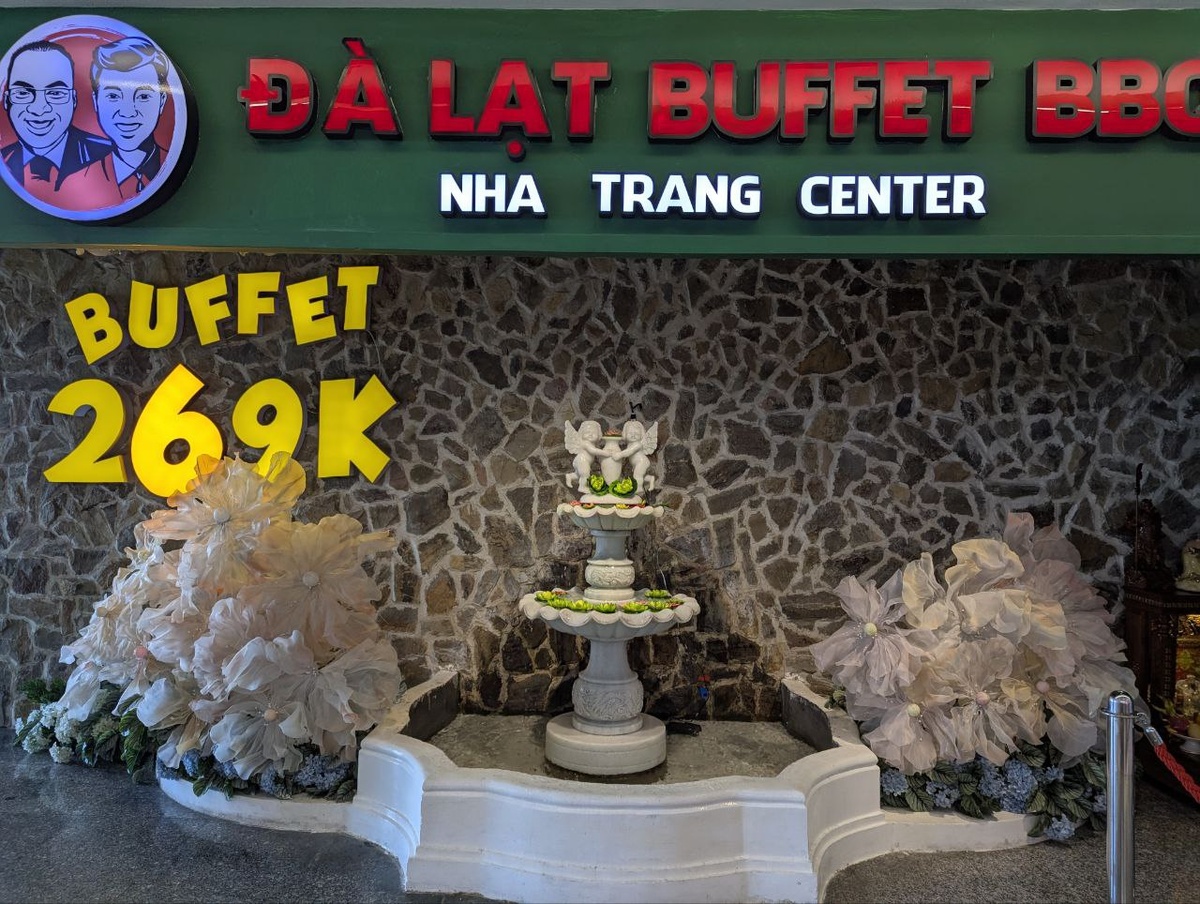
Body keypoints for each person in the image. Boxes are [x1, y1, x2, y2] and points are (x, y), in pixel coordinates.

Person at [1, 40, 110, 202]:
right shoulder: (4, 159)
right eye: (23, 93)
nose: (39, 109)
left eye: (55, 93)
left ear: (73, 100)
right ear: (6, 101)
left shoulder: (108, 157)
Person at [87, 36, 169, 200]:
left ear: (162, 101)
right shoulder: (81, 179)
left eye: (143, 96)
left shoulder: (171, 163)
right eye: (113, 96)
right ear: (96, 102)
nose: (128, 112)